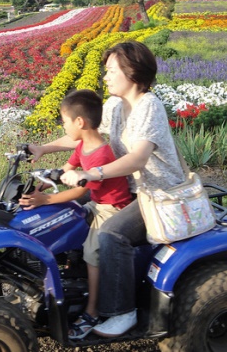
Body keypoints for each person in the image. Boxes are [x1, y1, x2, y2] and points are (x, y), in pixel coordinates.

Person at [30, 41, 186, 338]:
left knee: (112, 232)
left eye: (111, 70)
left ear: (132, 72)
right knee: (67, 212)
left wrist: (90, 174)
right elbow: (85, 135)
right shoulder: (116, 105)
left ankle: (121, 311)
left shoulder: (148, 106)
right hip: (128, 187)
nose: (105, 77)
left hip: (158, 194)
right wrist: (43, 148)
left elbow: (138, 158)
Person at [19, 89, 133, 340]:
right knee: (62, 221)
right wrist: (44, 184)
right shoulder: (83, 144)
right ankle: (70, 270)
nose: (63, 125)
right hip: (97, 203)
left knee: (93, 251)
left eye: (65, 121)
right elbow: (66, 169)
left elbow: (77, 191)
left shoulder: (102, 153)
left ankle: (92, 311)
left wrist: (45, 199)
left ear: (79, 122)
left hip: (112, 209)